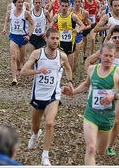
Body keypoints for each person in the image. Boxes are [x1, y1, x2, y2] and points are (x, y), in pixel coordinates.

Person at [62, 42, 119, 165]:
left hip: (107, 117)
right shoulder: (92, 69)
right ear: (100, 55)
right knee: (91, 148)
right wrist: (72, 91)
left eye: (111, 56)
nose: (108, 58)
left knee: (101, 152)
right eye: (106, 55)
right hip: (91, 114)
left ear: (114, 56)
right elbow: (86, 84)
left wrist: (114, 96)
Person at [20, 28, 74, 166]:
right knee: (35, 126)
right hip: (38, 95)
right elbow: (24, 71)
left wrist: (69, 82)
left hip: (53, 95)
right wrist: (38, 71)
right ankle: (35, 135)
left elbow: (68, 68)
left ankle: (45, 155)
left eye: (57, 39)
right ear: (47, 39)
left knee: (49, 123)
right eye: (53, 38)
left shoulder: (62, 56)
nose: (55, 41)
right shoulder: (38, 54)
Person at [84, 25, 119, 157]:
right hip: (102, 88)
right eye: (115, 37)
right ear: (112, 38)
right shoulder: (106, 51)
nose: (117, 40)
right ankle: (97, 138)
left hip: (118, 90)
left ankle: (110, 146)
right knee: (98, 113)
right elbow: (89, 61)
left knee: (115, 120)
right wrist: (91, 76)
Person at [2, 0, 35, 86]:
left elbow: (33, 24)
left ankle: (21, 68)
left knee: (20, 59)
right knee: (13, 56)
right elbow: (7, 20)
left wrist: (29, 35)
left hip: (23, 37)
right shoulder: (10, 12)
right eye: (19, 2)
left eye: (22, 2)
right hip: (14, 36)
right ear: (15, 3)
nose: (21, 4)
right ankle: (14, 78)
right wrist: (4, 29)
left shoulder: (26, 13)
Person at [48, 0, 85, 70]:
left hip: (70, 44)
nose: (64, 8)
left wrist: (78, 30)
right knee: (59, 66)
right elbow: (50, 25)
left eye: (66, 6)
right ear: (60, 6)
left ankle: (70, 80)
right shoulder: (56, 16)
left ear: (68, 7)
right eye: (62, 6)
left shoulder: (72, 16)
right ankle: (59, 80)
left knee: (70, 66)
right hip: (60, 43)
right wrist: (50, 30)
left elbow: (83, 25)